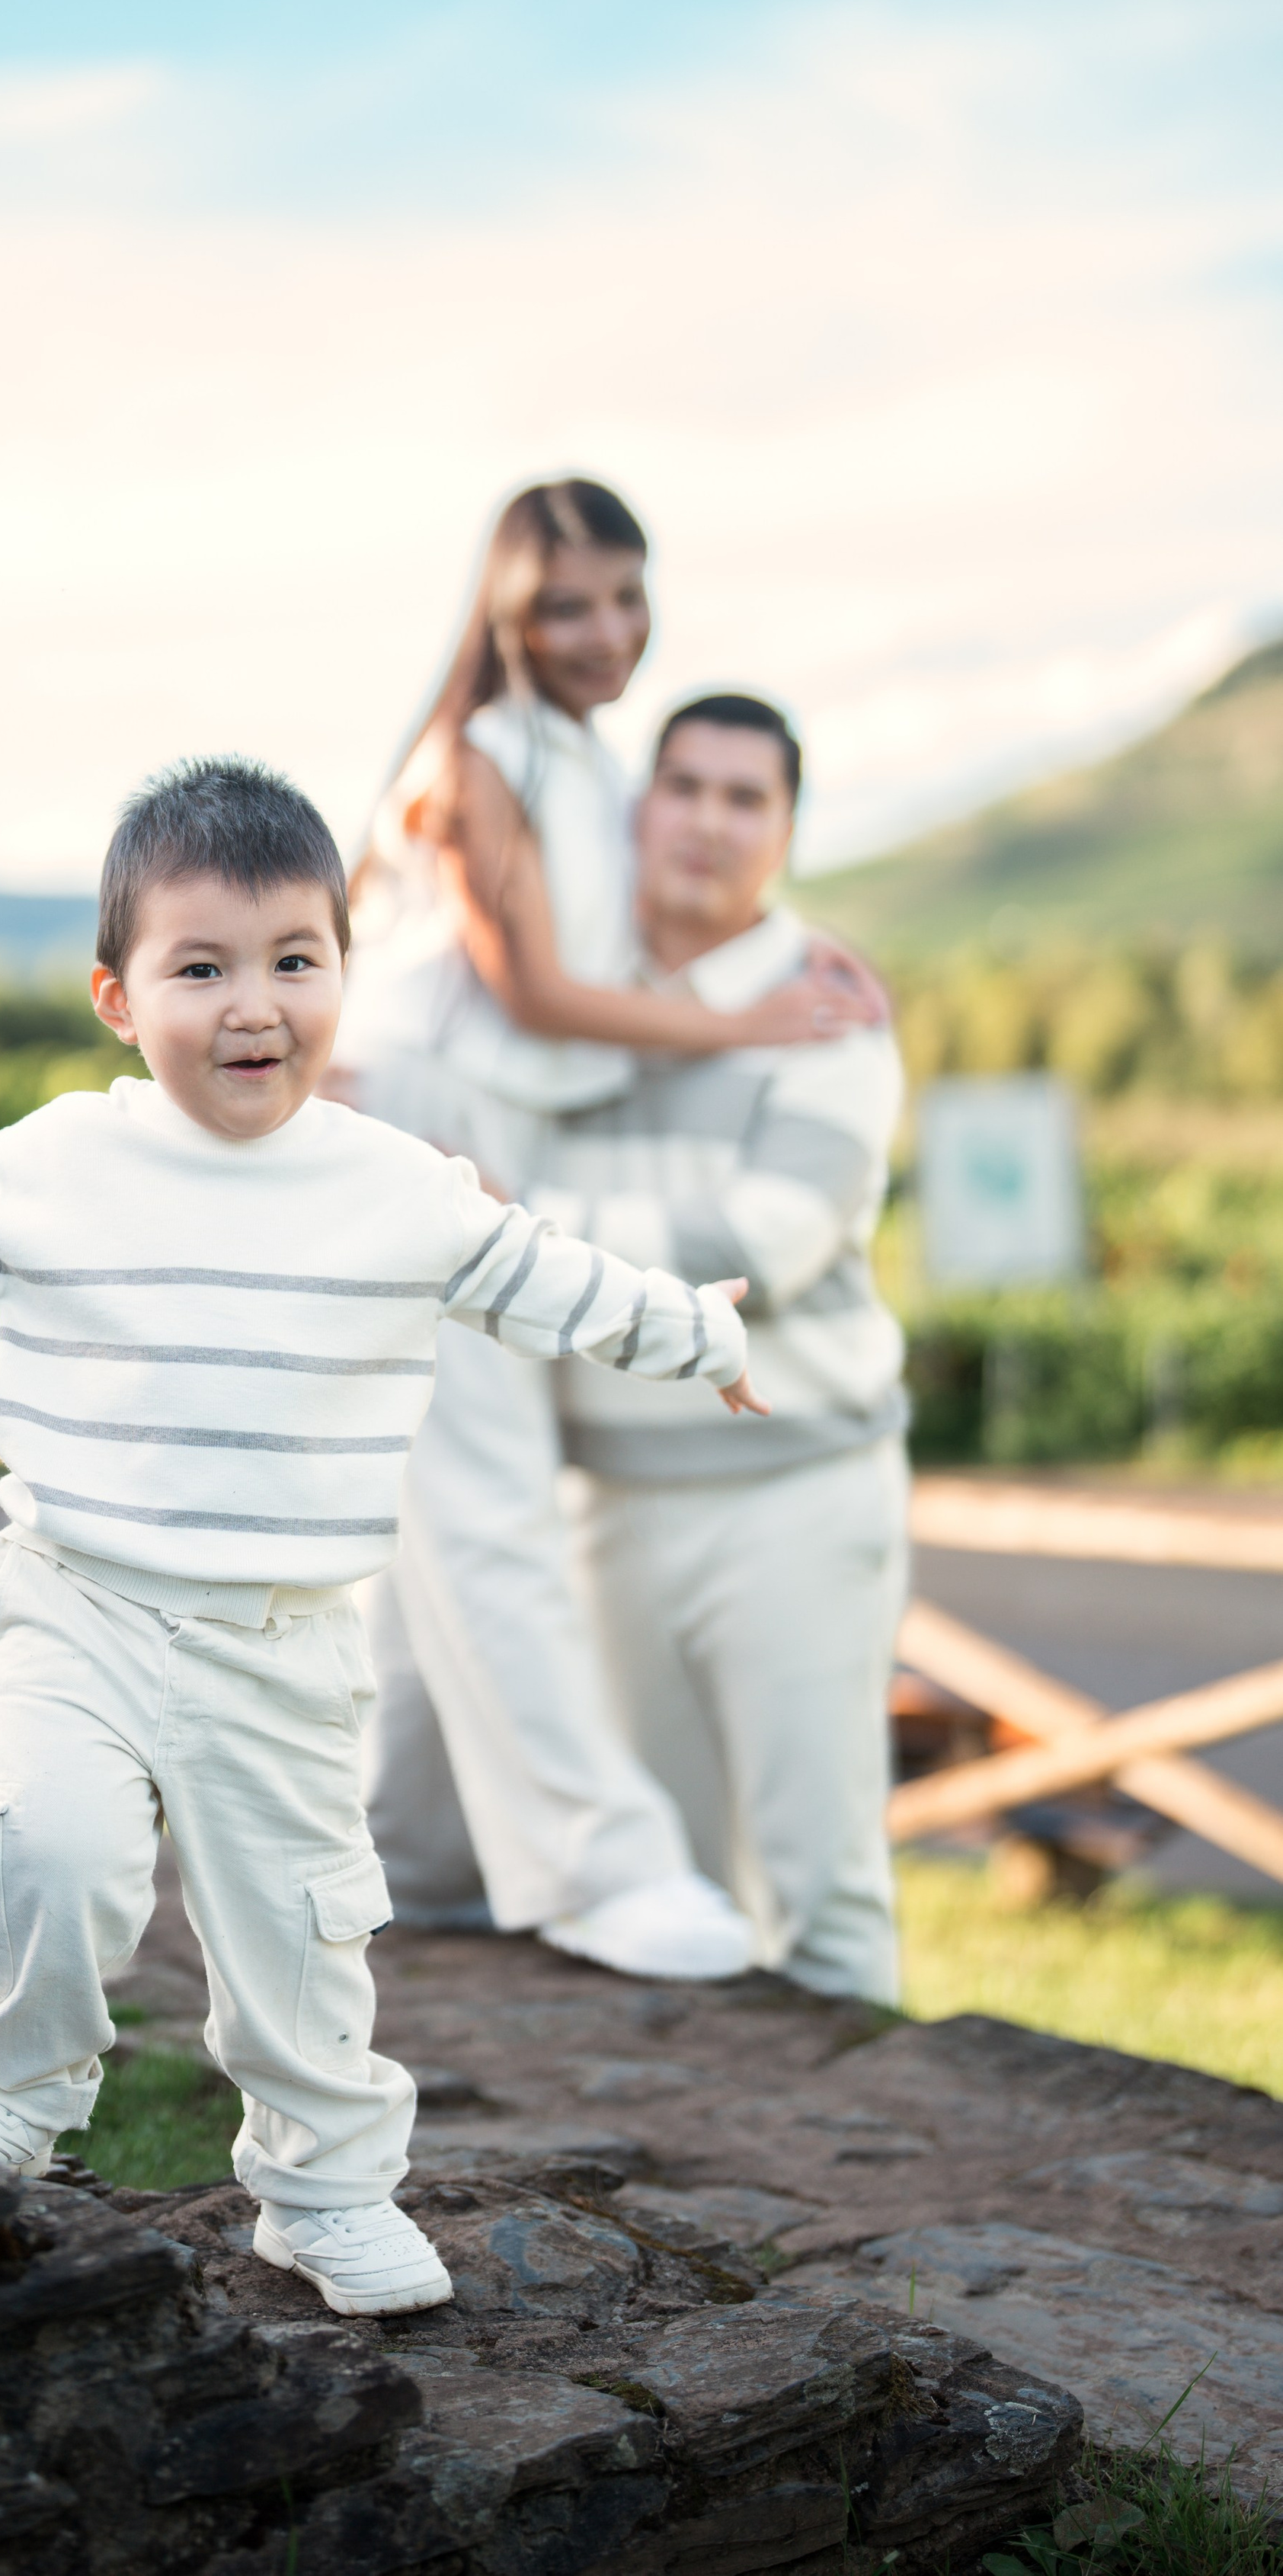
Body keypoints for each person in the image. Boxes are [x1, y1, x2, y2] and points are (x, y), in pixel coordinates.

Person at [0, 756, 764, 2321]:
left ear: (340, 971)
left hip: (286, 1636)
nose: (251, 1004)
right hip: (81, 1606)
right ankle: (2, 2098)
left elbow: (547, 1278)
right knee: (45, 1850)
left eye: (292, 961)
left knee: (298, 1928)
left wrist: (690, 1333)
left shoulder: (396, 1186)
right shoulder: (58, 1163)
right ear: (118, 998)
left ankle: (323, 2187)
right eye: (199, 968)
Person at [334, 480, 881, 1978]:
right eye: (565, 605)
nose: (603, 635)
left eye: (625, 599)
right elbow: (532, 999)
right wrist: (751, 1017)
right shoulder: (481, 756)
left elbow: (611, 966)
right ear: (502, 609)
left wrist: (778, 957)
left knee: (440, 1503)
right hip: (429, 1117)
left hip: (474, 1122)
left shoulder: (575, 757)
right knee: (485, 1492)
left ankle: (410, 1855)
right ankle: (590, 1859)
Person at [543, 694, 909, 2003]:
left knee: (823, 1888)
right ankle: (718, 2210)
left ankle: (882, 2197)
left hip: (793, 1497)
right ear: (642, 806)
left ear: (790, 827)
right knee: (668, 1894)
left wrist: (510, 1227)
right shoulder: (563, 989)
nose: (706, 821)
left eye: (744, 797)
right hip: (606, 1503)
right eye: (683, 786)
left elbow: (758, 1248)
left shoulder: (828, 1011)